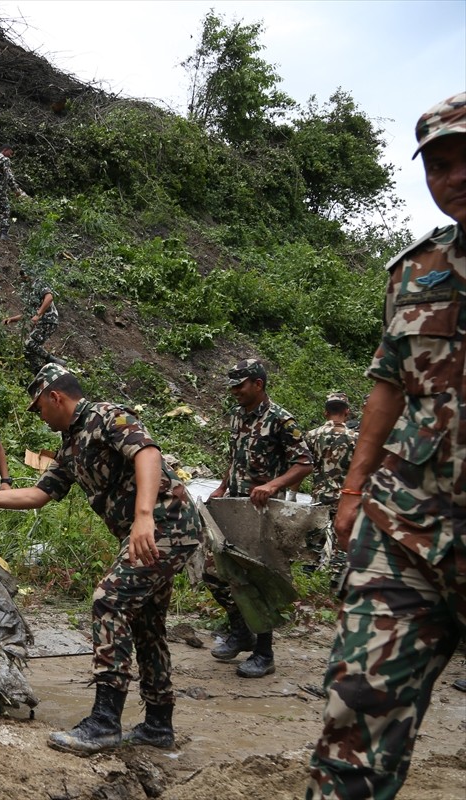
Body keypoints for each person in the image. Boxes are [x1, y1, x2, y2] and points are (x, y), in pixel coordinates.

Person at [307, 91, 466, 800]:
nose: (456, 175)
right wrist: (352, 491)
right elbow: (389, 385)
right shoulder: (415, 272)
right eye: (440, 164)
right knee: (353, 718)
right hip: (409, 530)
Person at [0, 364, 203, 754]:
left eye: (39, 407)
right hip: (150, 533)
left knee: (109, 602)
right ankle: (158, 724)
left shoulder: (105, 415)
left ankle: (104, 723)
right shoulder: (70, 446)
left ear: (55, 397)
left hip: (167, 524)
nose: (39, 416)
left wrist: (143, 516)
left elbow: (147, 453)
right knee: (146, 623)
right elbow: (38, 495)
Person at [205, 358, 313, 678]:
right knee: (215, 572)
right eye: (232, 386)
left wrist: (273, 485)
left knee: (258, 580)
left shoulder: (281, 419)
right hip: (234, 508)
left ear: (258, 384)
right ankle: (241, 632)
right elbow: (235, 457)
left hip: (263, 513)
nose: (234, 391)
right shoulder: (238, 416)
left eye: (240, 386)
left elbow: (304, 462)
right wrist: (222, 486)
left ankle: (264, 654)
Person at [302, 391, 357, 575]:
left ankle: (307, 574)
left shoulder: (311, 436)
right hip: (344, 498)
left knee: (313, 542)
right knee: (341, 541)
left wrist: (292, 493)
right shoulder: (355, 438)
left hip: (319, 495)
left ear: (325, 412)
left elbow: (302, 465)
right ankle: (336, 576)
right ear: (347, 412)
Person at [4, 268, 60, 373]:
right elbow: (27, 315)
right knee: (29, 350)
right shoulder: (31, 293)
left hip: (49, 320)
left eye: (25, 277)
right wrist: (11, 319)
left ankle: (53, 360)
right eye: (23, 278)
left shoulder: (39, 283)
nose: (25, 280)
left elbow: (49, 297)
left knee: (30, 343)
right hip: (43, 321)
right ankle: (37, 370)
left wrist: (38, 314)